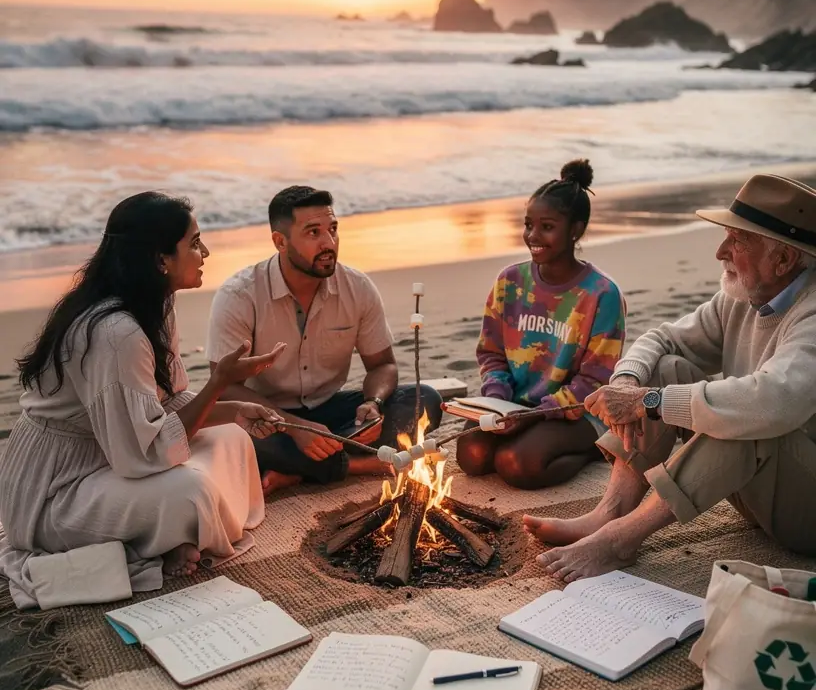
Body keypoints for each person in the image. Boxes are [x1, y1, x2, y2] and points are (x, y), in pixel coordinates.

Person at [524, 173, 816, 582]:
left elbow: (773, 403)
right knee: (665, 370)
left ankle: (621, 539)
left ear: (783, 259)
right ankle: (611, 511)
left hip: (807, 513)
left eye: (737, 240)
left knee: (746, 418)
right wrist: (627, 383)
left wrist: (651, 402)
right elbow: (663, 340)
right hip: (762, 489)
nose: (720, 251)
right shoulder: (745, 296)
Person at [0, 192, 286, 609]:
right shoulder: (115, 332)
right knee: (191, 490)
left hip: (114, 451)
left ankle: (168, 537)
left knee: (232, 438)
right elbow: (142, 453)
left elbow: (167, 404)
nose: (205, 253)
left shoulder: (156, 304)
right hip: (56, 489)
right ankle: (154, 545)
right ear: (160, 259)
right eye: (194, 243)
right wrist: (218, 383)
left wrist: (233, 409)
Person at [206, 185, 442, 491]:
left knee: (425, 399)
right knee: (233, 434)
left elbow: (383, 365)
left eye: (333, 229)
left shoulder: (357, 288)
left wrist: (372, 403)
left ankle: (298, 470)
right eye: (313, 232)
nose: (329, 242)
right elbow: (223, 387)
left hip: (332, 413)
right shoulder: (239, 295)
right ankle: (357, 464)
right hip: (266, 417)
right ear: (280, 241)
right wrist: (294, 428)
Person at [458, 160, 625, 489]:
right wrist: (498, 399)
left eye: (547, 227)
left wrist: (534, 416)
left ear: (575, 230)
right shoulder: (509, 281)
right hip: (515, 405)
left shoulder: (601, 294)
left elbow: (595, 379)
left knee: (516, 464)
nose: (532, 236)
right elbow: (491, 353)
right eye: (528, 225)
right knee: (472, 455)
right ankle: (529, 436)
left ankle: (596, 447)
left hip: (577, 410)